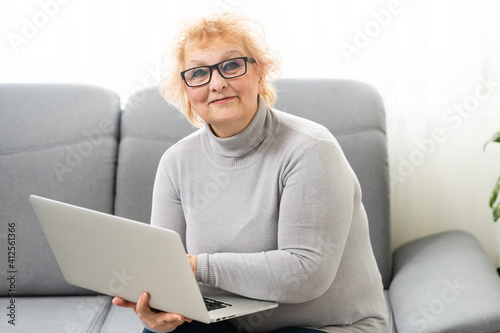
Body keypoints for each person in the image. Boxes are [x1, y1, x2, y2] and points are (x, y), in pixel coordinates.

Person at [113, 12, 389, 333]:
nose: (217, 83)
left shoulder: (311, 149)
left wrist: (196, 266)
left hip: (326, 327)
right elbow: (165, 271)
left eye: (231, 66)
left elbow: (305, 274)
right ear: (187, 89)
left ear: (259, 72)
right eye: (199, 73)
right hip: (230, 325)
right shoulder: (176, 162)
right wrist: (160, 315)